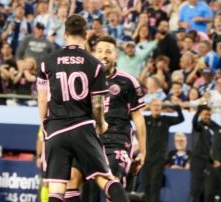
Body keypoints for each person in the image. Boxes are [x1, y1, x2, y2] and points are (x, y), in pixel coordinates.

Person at [36, 14, 130, 202]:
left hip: (55, 129)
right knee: (106, 178)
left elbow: (42, 99)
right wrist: (101, 123)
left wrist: (45, 125)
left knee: (56, 187)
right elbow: (97, 105)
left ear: (65, 35)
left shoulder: (47, 61)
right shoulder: (95, 64)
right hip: (82, 127)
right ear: (86, 35)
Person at [66, 35, 147, 201]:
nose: (104, 55)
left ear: (116, 56)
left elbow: (138, 118)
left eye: (108, 51)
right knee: (72, 178)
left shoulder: (128, 81)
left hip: (117, 140)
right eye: (100, 51)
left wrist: (143, 151)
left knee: (110, 183)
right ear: (94, 55)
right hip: (89, 139)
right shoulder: (83, 80)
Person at [143, 99, 184, 202]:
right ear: (150, 107)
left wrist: (176, 107)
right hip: (146, 158)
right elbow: (130, 116)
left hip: (159, 159)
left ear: (161, 108)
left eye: (158, 106)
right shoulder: (145, 119)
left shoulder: (165, 119)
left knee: (155, 186)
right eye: (154, 106)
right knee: (146, 185)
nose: (156, 108)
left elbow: (181, 118)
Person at [189, 105, 219, 202]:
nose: (207, 116)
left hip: (206, 160)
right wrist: (198, 111)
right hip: (197, 159)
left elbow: (207, 147)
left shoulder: (211, 126)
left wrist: (211, 161)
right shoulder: (198, 126)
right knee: (195, 188)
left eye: (209, 114)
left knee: (206, 188)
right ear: (201, 115)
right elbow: (194, 121)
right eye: (205, 114)